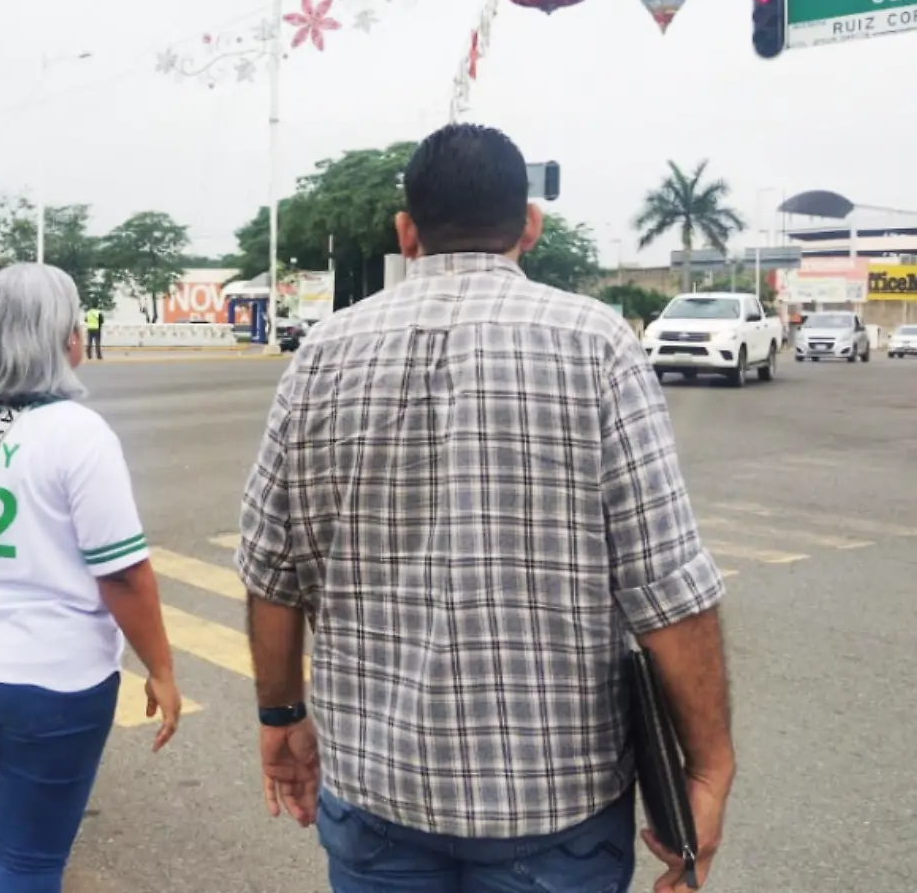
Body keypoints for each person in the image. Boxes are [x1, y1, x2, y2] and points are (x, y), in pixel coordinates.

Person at [237, 124, 735, 893]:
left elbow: (273, 572)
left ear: (408, 235)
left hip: (377, 792)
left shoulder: (323, 356)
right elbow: (667, 585)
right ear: (529, 226)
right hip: (556, 804)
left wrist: (279, 719)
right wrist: (708, 767)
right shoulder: (596, 344)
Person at [0, 264, 180, 893]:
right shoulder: (78, 434)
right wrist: (160, 669)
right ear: (63, 336)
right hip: (54, 679)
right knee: (29, 857)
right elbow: (124, 575)